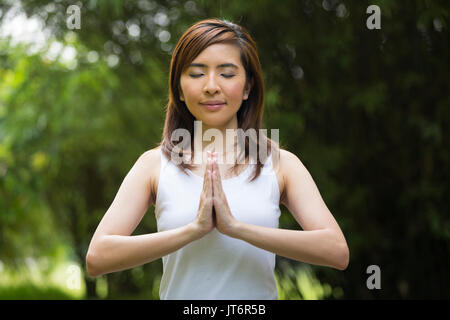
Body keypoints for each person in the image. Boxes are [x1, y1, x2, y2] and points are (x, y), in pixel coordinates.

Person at [86, 18, 349, 300]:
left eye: (226, 73)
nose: (211, 86)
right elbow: (98, 257)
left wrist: (236, 228)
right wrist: (193, 230)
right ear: (179, 90)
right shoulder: (154, 165)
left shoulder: (280, 164)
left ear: (248, 87)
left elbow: (336, 251)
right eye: (197, 74)